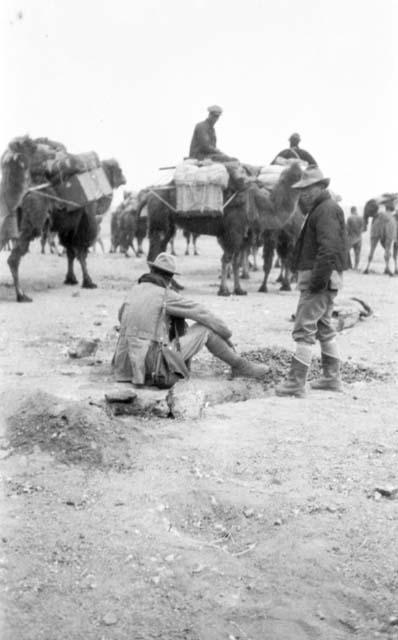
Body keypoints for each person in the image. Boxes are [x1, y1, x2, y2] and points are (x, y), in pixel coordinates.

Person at [112, 252, 269, 386]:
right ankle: (239, 365)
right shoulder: (167, 295)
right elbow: (203, 314)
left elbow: (121, 318)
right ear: (170, 278)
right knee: (205, 328)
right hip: (152, 366)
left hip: (124, 366)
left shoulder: (134, 290)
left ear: (152, 270)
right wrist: (226, 335)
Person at [275, 167, 348, 398]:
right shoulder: (322, 208)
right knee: (324, 328)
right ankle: (331, 378)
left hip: (319, 282)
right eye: (302, 189)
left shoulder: (325, 210)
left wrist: (316, 283)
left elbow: (328, 249)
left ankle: (296, 383)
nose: (304, 193)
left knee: (303, 329)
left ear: (321, 187)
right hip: (325, 280)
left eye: (309, 188)